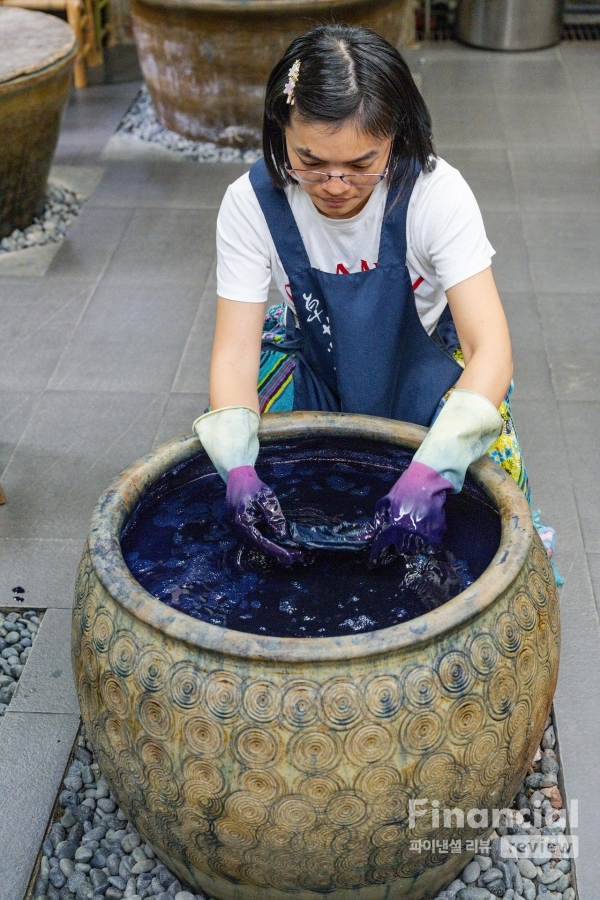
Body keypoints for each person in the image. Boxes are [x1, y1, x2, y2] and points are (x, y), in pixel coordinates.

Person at [193, 23, 559, 579]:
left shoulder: (436, 194)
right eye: (310, 161)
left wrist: (433, 472)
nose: (335, 184)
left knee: (488, 521)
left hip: (423, 368)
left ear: (396, 135)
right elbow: (234, 356)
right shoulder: (249, 204)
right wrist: (238, 468)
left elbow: (493, 352)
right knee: (239, 491)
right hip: (317, 359)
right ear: (280, 131)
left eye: (362, 164)